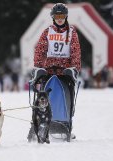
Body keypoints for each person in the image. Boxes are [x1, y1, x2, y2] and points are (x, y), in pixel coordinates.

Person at [29, 3, 81, 141]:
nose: (59, 19)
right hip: (49, 70)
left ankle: (68, 125)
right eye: (57, 16)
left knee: (69, 97)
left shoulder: (72, 32)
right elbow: (40, 50)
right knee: (41, 97)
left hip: (65, 72)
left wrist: (75, 68)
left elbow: (76, 51)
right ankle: (35, 126)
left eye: (62, 16)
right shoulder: (47, 31)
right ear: (53, 17)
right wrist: (38, 67)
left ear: (66, 17)